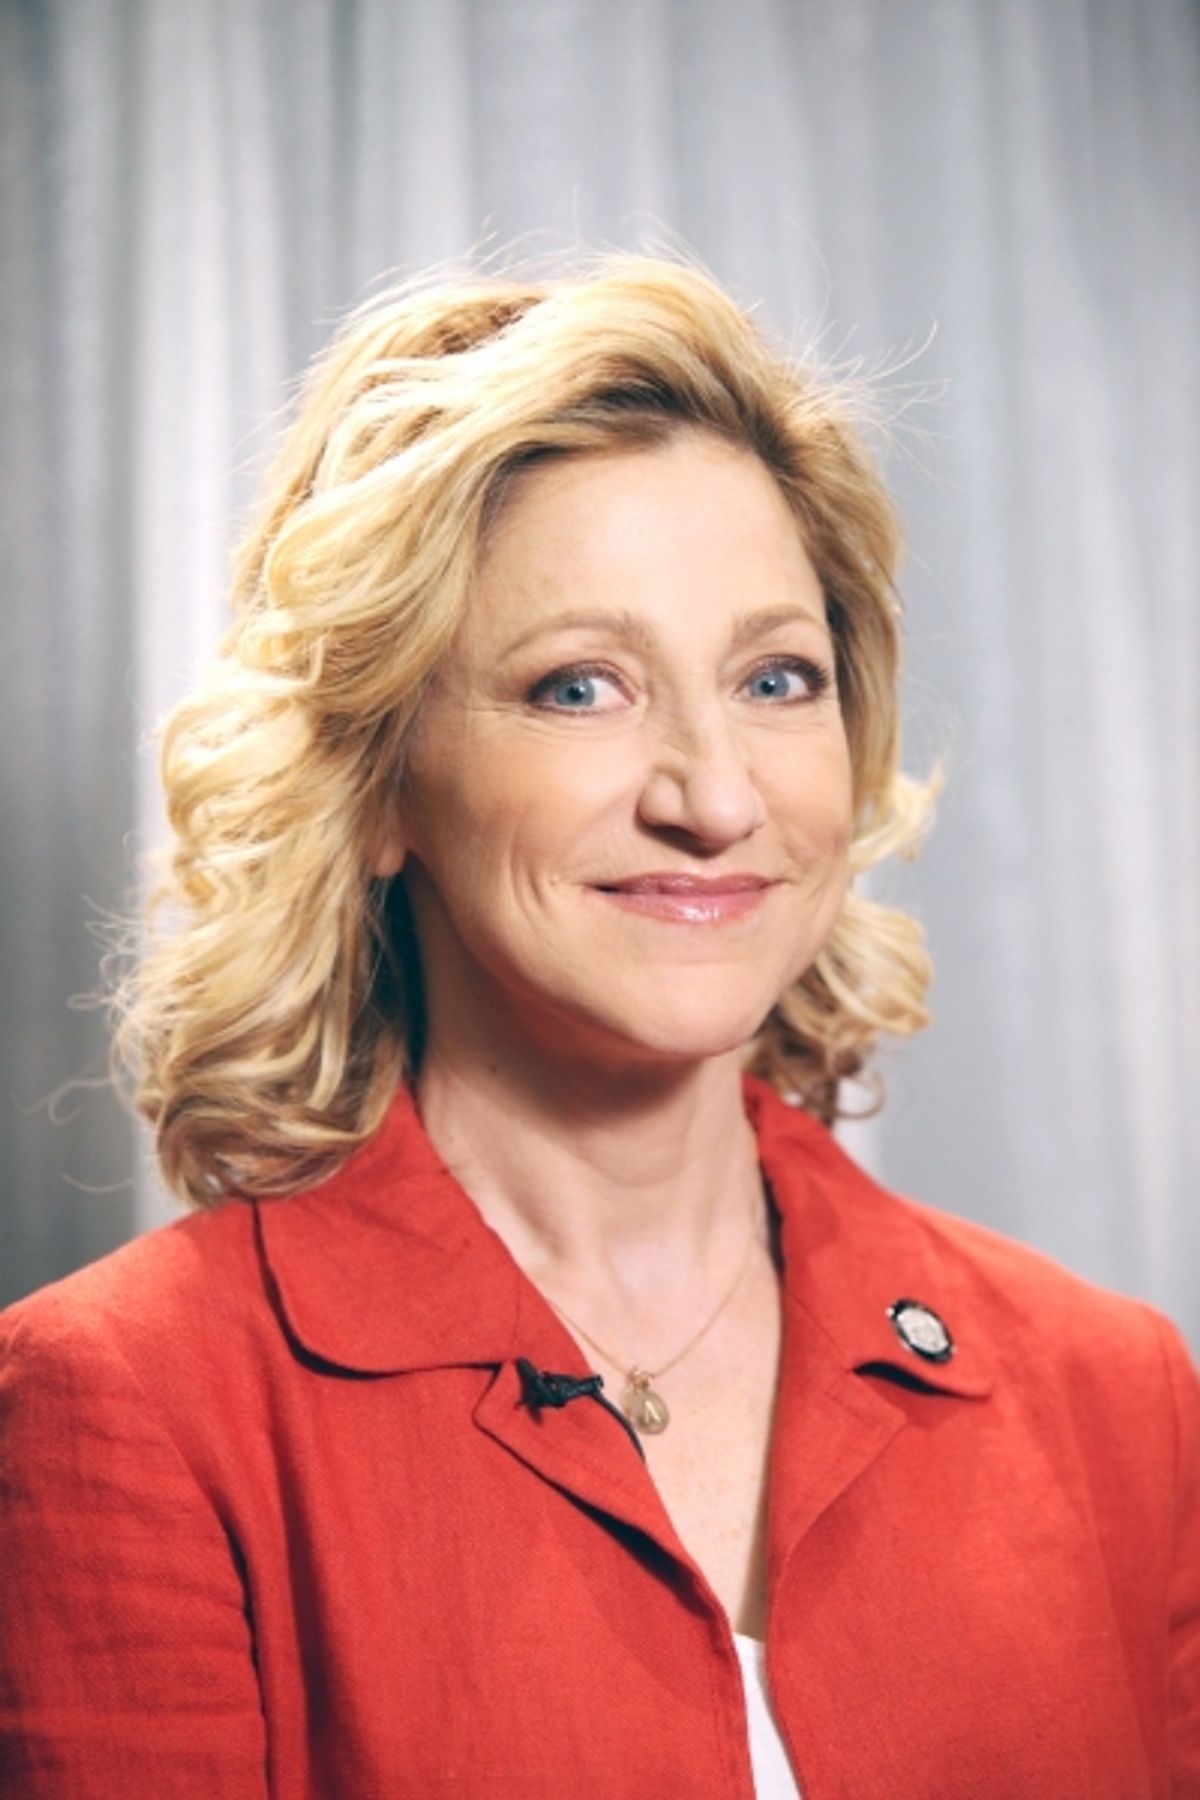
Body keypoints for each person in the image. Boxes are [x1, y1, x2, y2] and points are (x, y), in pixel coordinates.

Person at [1, 256, 1196, 1800]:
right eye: (580, 688)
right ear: (375, 786)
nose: (713, 795)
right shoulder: (124, 1408)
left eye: (777, 678)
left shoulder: (1115, 1393)